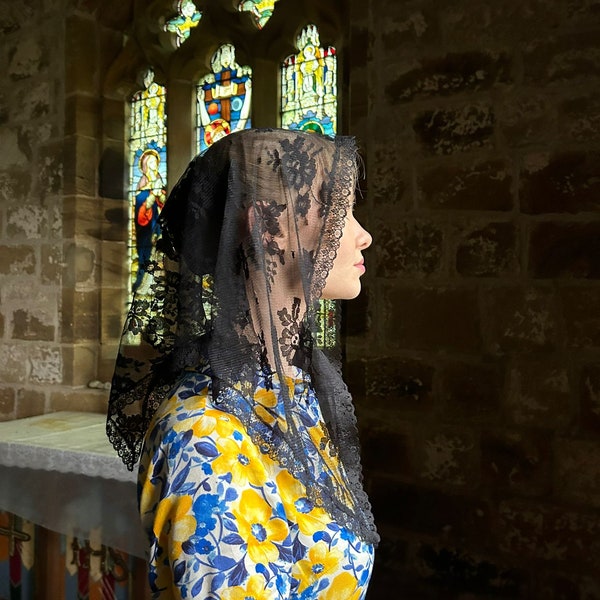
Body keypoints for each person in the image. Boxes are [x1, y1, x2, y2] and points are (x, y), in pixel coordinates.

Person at [107, 128, 379, 599]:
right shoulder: (199, 437)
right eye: (339, 210)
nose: (363, 235)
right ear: (265, 226)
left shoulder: (296, 391)